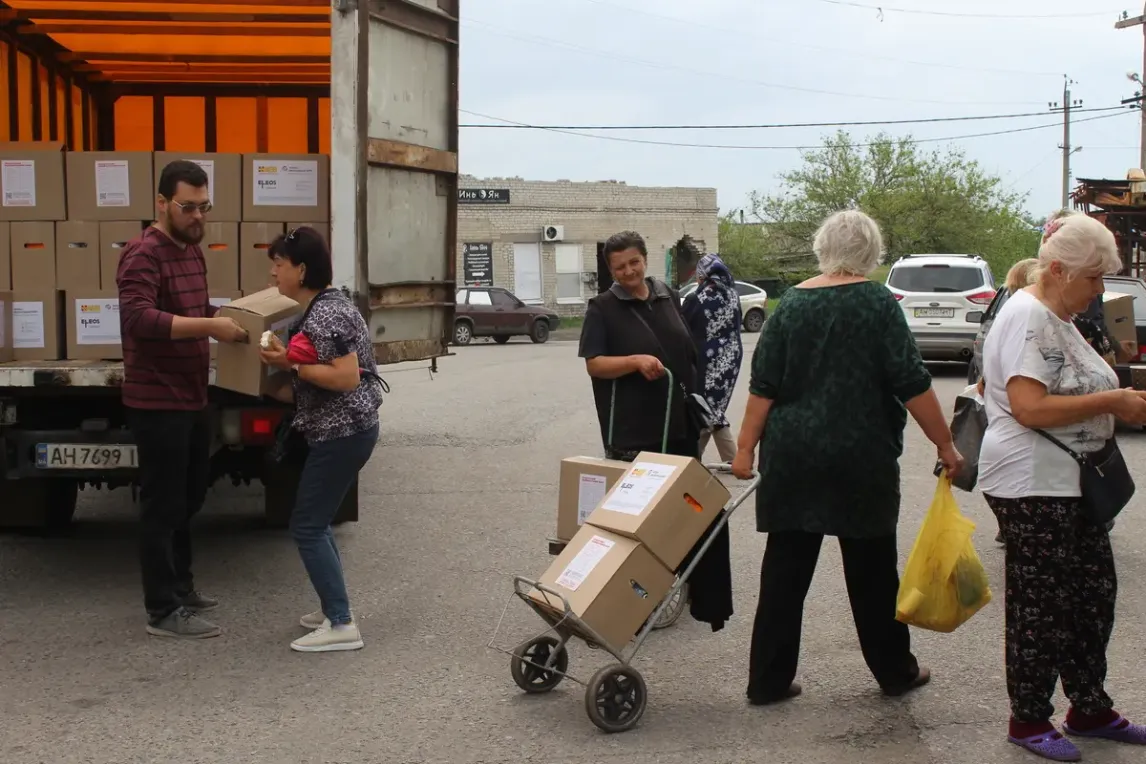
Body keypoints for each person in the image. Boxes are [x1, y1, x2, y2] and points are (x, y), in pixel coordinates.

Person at [731, 209, 961, 705]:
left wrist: (746, 448)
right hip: (860, 458)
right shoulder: (876, 302)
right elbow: (911, 382)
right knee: (873, 571)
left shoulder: (789, 304)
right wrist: (945, 444)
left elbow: (763, 387)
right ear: (870, 254)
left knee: (784, 573)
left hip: (792, 457)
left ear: (822, 248)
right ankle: (895, 671)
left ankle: (767, 681)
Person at [978, 212, 1146, 760]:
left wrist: (1118, 404)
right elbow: (1028, 407)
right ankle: (1028, 718)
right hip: (1034, 482)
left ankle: (1089, 706)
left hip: (1071, 481)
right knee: (1042, 605)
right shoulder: (1030, 316)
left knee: (1092, 596)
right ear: (1056, 269)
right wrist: (1114, 402)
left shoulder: (1059, 312)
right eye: (1094, 278)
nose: (1101, 291)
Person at [117, 160, 249, 639]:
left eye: (203, 206)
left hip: (193, 396)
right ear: (161, 203)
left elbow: (198, 310)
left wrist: (239, 318)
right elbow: (138, 318)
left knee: (191, 496)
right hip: (156, 402)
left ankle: (183, 584)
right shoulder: (142, 253)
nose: (197, 216)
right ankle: (162, 610)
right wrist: (210, 326)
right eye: (187, 207)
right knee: (162, 504)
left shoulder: (191, 251)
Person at [578, 230, 732, 631]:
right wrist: (632, 361)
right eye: (619, 266)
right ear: (610, 270)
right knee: (644, 521)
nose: (629, 271)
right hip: (636, 432)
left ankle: (707, 601)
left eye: (634, 262)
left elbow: (688, 347)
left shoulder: (667, 294)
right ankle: (637, 596)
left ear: (645, 259)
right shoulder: (603, 308)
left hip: (680, 425)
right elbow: (594, 363)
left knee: (698, 511)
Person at [258, 226, 383, 653]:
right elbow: (309, 377)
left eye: (279, 265)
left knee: (307, 525)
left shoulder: (329, 314)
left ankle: (342, 623)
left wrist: (289, 364)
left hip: (343, 433)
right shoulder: (317, 310)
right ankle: (333, 607)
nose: (274, 275)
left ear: (302, 269)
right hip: (340, 430)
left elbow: (345, 378)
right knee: (318, 521)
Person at [681, 253, 743, 463]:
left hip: (707, 363)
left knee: (705, 410)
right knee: (713, 410)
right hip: (731, 360)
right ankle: (732, 462)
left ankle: (690, 462)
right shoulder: (733, 294)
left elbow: (682, 330)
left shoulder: (698, 298)